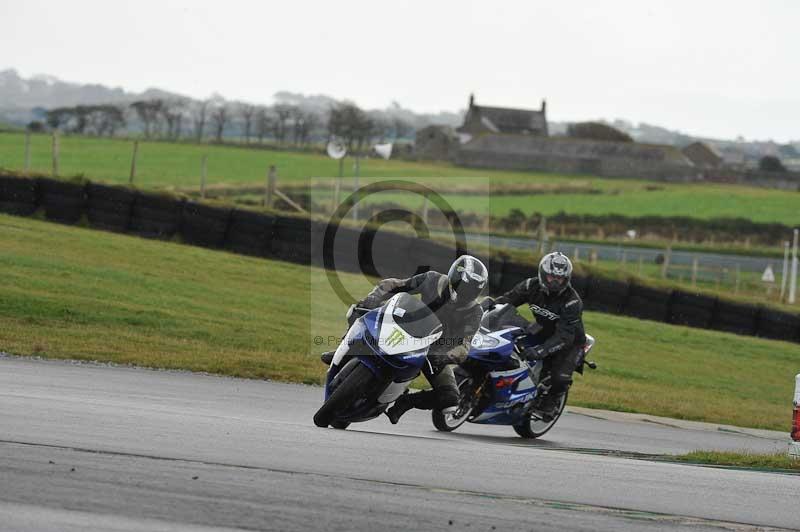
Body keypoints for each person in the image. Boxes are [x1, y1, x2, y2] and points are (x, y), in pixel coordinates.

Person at [321, 255, 488, 424]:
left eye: (472, 290)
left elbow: (464, 345)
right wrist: (375, 296)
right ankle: (342, 348)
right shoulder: (432, 279)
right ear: (454, 277)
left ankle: (407, 402)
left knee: (450, 399)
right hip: (405, 327)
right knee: (360, 311)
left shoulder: (475, 312)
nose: (466, 293)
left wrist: (446, 356)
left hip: (433, 351)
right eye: (464, 286)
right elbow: (397, 285)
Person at [489, 251, 586, 420]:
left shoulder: (572, 301)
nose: (555, 282)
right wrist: (490, 306)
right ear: (542, 274)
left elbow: (565, 336)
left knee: (559, 377)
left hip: (570, 342)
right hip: (542, 329)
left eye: (560, 279)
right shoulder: (529, 286)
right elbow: (508, 300)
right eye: (551, 277)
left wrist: (541, 350)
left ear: (567, 279)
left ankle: (552, 402)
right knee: (506, 346)